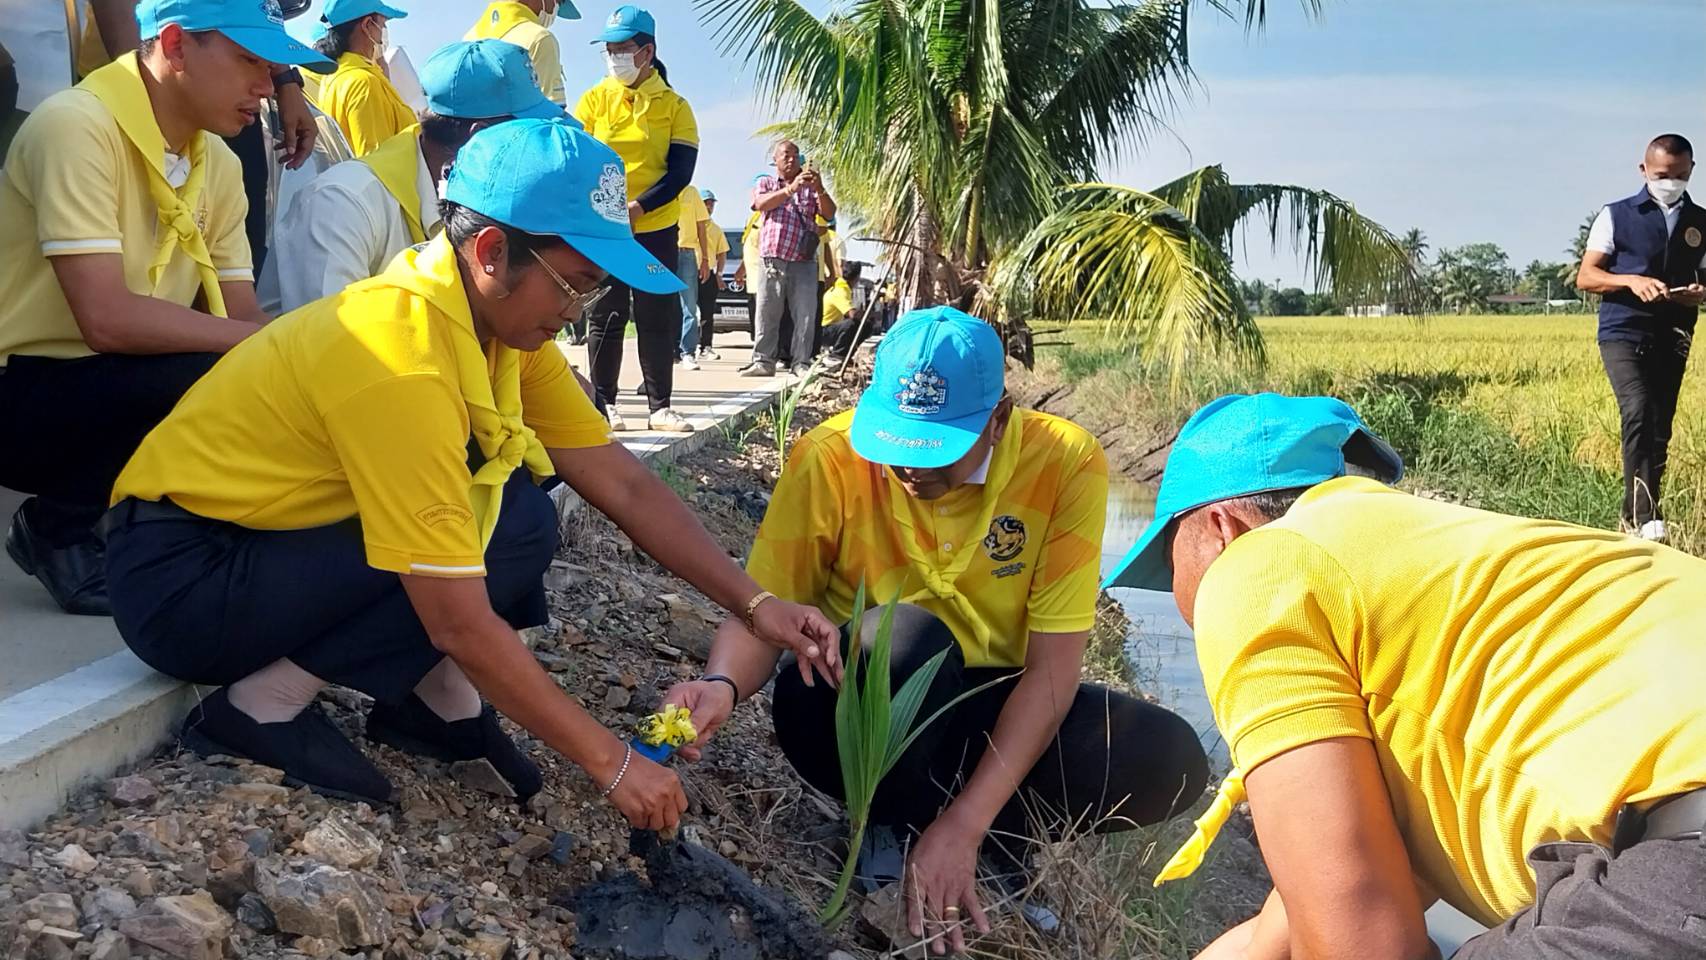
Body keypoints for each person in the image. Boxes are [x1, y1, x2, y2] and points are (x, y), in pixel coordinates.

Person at [103, 119, 840, 821]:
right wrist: (613, 764)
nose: (579, 313)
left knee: (517, 519)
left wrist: (755, 605)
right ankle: (260, 707)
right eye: (576, 284)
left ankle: (434, 703)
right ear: (491, 252)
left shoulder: (500, 330)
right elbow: (455, 617)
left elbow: (619, 480)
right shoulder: (398, 356)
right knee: (484, 534)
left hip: (264, 544)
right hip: (183, 581)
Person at [665, 307, 1210, 952]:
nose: (910, 470)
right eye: (896, 444)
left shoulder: (1063, 463)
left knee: (1168, 757)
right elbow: (765, 611)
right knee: (908, 640)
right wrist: (721, 684)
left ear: (999, 419)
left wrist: (968, 823)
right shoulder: (831, 458)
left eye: (937, 451)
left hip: (987, 702)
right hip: (854, 701)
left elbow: (1055, 669)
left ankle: (986, 831)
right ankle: (885, 820)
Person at [1102, 392, 1706, 960]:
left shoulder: (1261, 566)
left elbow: (1356, 944)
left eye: (1169, 561)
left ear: (1221, 529)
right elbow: (1291, 925)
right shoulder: (1459, 588)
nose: (1186, 611)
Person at [0, 0, 326, 616]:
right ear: (175, 46)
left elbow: (241, 317)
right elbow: (106, 319)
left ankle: (162, 530)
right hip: (21, 392)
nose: (265, 85)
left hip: (104, 385)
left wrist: (316, 356)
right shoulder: (77, 125)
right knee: (218, 369)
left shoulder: (220, 164)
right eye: (249, 61)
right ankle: (57, 526)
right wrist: (272, 348)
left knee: (278, 378)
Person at [269, 38, 568, 312]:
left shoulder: (480, 206)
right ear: (480, 139)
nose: (537, 152)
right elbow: (328, 350)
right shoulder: (343, 204)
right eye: (528, 136)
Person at [573, 4, 698, 434]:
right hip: (605, 228)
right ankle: (603, 402)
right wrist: (605, 208)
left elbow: (680, 172)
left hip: (654, 227)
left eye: (622, 49)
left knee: (656, 315)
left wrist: (637, 208)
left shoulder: (675, 106)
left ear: (647, 52)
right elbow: (577, 160)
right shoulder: (594, 99)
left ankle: (660, 404)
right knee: (606, 315)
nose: (614, 58)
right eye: (609, 49)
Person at [1576, 133, 1706, 543]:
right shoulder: (1616, 215)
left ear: (1691, 171)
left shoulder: (1701, 222)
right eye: (1663, 174)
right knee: (1638, 409)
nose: (1671, 182)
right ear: (1644, 170)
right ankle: (1647, 517)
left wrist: (1699, 292)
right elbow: (1587, 276)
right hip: (1623, 330)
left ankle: (1631, 518)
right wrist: (1630, 280)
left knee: (1660, 426)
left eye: (1680, 175)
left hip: (1675, 330)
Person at [743, 140, 835, 378]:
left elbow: (829, 213)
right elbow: (759, 203)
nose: (791, 159)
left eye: (795, 155)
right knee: (767, 311)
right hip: (772, 259)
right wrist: (790, 189)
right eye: (786, 155)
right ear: (775, 160)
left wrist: (820, 187)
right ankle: (763, 361)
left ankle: (801, 362)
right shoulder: (766, 182)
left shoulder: (811, 188)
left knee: (805, 314)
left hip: (803, 260)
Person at [311, 0, 412, 157]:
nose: (384, 31)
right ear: (367, 25)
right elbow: (377, 162)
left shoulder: (336, 76)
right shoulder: (363, 83)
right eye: (383, 24)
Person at [465, 0, 575, 108]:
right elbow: (553, 111)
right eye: (558, 2)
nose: (555, 11)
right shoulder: (540, 38)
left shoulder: (467, 39)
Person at [673, 184, 711, 370]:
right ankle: (666, 352)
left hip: (687, 254)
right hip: (663, 251)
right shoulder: (659, 186)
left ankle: (688, 352)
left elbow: (701, 227)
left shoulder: (691, 192)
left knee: (689, 306)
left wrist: (704, 259)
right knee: (662, 305)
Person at [693, 187, 727, 361]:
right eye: (705, 203)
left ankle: (706, 346)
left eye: (711, 203)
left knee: (707, 313)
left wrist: (719, 274)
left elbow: (722, 253)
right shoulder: (689, 224)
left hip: (709, 275)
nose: (708, 206)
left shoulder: (716, 229)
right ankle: (685, 348)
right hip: (690, 272)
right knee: (688, 312)